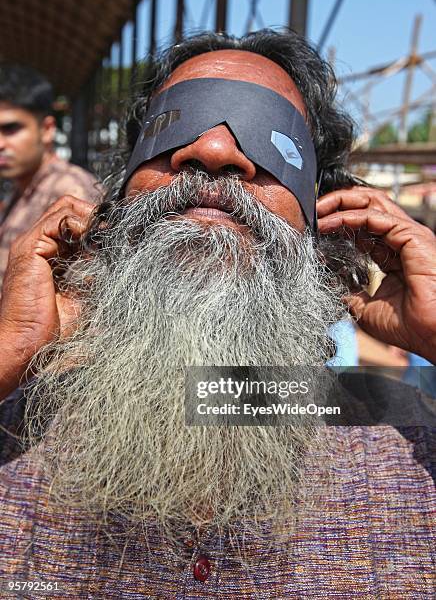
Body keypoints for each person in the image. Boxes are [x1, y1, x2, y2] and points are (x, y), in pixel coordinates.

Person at [0, 30, 435, 596]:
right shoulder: (21, 432)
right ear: (113, 201)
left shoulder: (401, 434)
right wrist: (9, 349)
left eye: (272, 138)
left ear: (321, 216)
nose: (212, 151)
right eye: (173, 124)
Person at [0, 64, 101, 284]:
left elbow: (81, 298)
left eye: (10, 129)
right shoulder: (20, 186)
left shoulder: (69, 191)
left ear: (46, 130)